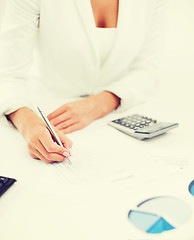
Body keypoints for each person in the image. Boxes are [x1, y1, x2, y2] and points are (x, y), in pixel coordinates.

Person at [0, 0, 167, 163]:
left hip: (120, 115)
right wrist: (30, 126)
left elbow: (148, 70)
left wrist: (99, 104)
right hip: (48, 118)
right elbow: (8, 75)